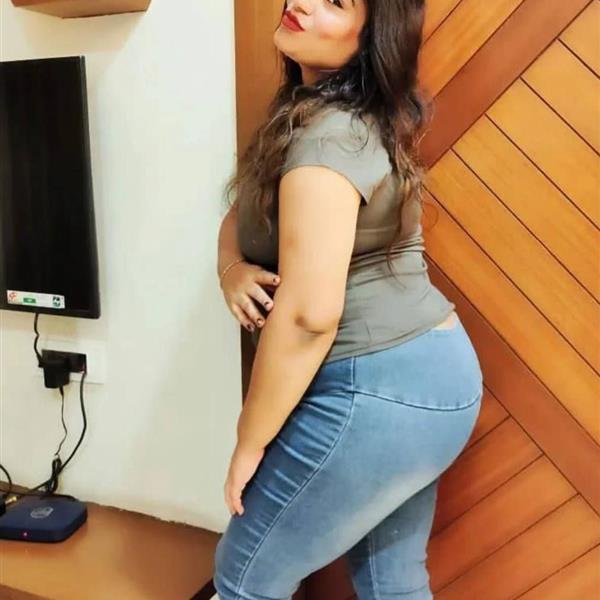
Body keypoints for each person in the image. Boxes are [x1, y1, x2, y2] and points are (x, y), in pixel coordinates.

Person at [214, 1, 483, 598]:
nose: (300, 3)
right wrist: (232, 268)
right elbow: (242, 215)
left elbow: (310, 317)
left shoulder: (329, 138)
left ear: (371, 39)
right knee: (391, 581)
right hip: (430, 382)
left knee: (244, 578)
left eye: (335, 1)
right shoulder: (318, 117)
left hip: (375, 389)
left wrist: (249, 440)